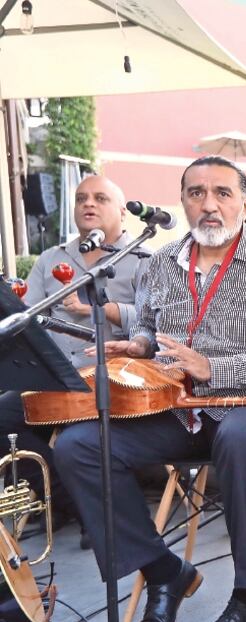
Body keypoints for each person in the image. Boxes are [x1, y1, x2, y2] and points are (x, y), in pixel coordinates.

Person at [53, 155, 246, 622]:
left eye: (222, 192)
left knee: (240, 435)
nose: (209, 204)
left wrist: (214, 368)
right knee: (79, 443)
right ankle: (165, 572)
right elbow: (152, 331)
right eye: (196, 193)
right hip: (182, 408)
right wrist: (141, 346)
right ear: (183, 202)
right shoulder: (160, 263)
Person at [0, 174, 146, 542]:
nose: (88, 204)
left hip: (106, 380)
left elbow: (152, 321)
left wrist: (100, 308)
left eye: (99, 198)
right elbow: (23, 312)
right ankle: (71, 503)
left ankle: (82, 508)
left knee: (78, 439)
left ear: (121, 212)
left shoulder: (143, 259)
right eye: (81, 198)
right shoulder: (52, 257)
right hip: (45, 377)